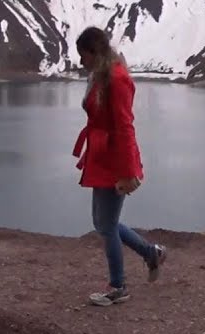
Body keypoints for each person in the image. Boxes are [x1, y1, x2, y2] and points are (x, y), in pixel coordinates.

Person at [71, 26, 166, 306]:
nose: (80, 61)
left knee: (106, 225)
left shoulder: (116, 79)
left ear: (94, 52)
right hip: (103, 156)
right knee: (102, 223)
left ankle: (118, 286)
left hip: (115, 160)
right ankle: (151, 254)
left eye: (83, 55)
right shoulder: (101, 76)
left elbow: (125, 126)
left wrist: (128, 172)